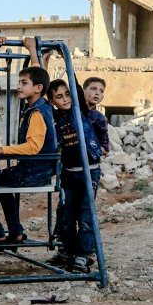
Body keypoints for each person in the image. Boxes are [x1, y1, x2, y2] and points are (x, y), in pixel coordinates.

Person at [0, 37, 58, 244]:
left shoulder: (37, 114)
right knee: (4, 185)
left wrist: (1, 150)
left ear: (38, 88)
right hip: (38, 169)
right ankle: (15, 231)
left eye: (24, 83)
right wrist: (33, 51)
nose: (19, 87)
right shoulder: (42, 104)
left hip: (36, 171)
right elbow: (38, 74)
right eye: (19, 82)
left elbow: (33, 147)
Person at [45, 79, 102, 273]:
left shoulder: (80, 110)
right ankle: (66, 252)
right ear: (52, 101)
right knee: (66, 215)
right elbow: (42, 91)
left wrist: (65, 58)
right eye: (59, 97)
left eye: (67, 94)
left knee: (86, 216)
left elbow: (76, 91)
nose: (65, 99)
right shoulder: (55, 116)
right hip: (68, 172)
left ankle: (83, 256)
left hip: (89, 170)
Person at [82, 76, 111, 156]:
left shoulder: (100, 119)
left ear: (102, 97)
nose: (97, 93)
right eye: (93, 89)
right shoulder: (72, 112)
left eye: (101, 91)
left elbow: (105, 148)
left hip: (91, 164)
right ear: (83, 91)